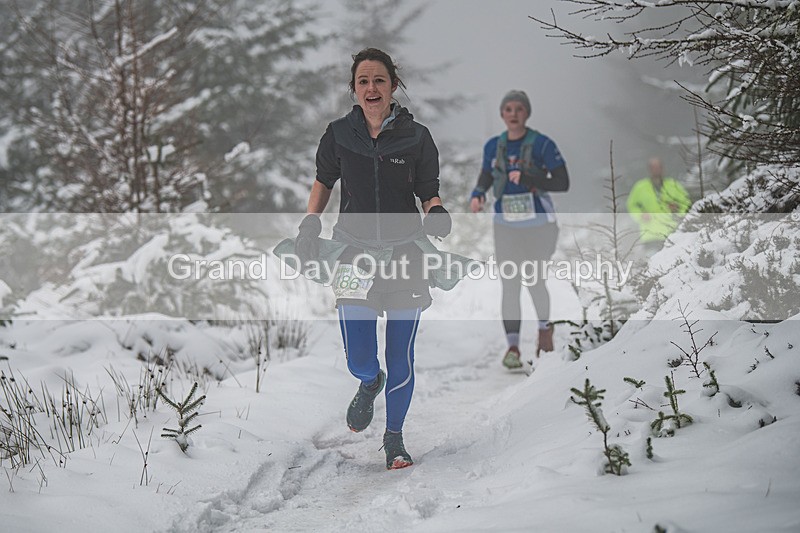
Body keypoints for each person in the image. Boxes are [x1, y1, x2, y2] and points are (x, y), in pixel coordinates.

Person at [284, 48, 452, 470]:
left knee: (401, 355)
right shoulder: (339, 134)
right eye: (363, 81)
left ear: (393, 85)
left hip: (406, 254)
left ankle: (394, 437)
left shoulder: (417, 137)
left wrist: (435, 212)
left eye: (379, 80)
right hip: (353, 253)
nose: (371, 88)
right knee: (360, 353)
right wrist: (309, 224)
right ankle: (367, 381)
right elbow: (324, 180)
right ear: (354, 89)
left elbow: (428, 190)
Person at [470, 90, 570, 369]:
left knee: (534, 280)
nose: (513, 114)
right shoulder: (493, 146)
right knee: (510, 284)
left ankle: (544, 334)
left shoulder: (542, 144)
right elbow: (487, 175)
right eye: (508, 109)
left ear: (527, 113)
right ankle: (512, 347)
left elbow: (562, 182)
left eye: (519, 109)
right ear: (502, 114)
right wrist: (477, 194)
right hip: (505, 226)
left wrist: (529, 177)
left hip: (539, 225)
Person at [627, 157, 691, 254]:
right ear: (649, 169)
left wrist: (677, 209)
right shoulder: (640, 187)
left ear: (663, 168)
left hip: (672, 233)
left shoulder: (674, 184)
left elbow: (686, 203)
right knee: (652, 265)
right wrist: (641, 215)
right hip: (649, 234)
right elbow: (631, 205)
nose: (656, 170)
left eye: (658, 167)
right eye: (653, 167)